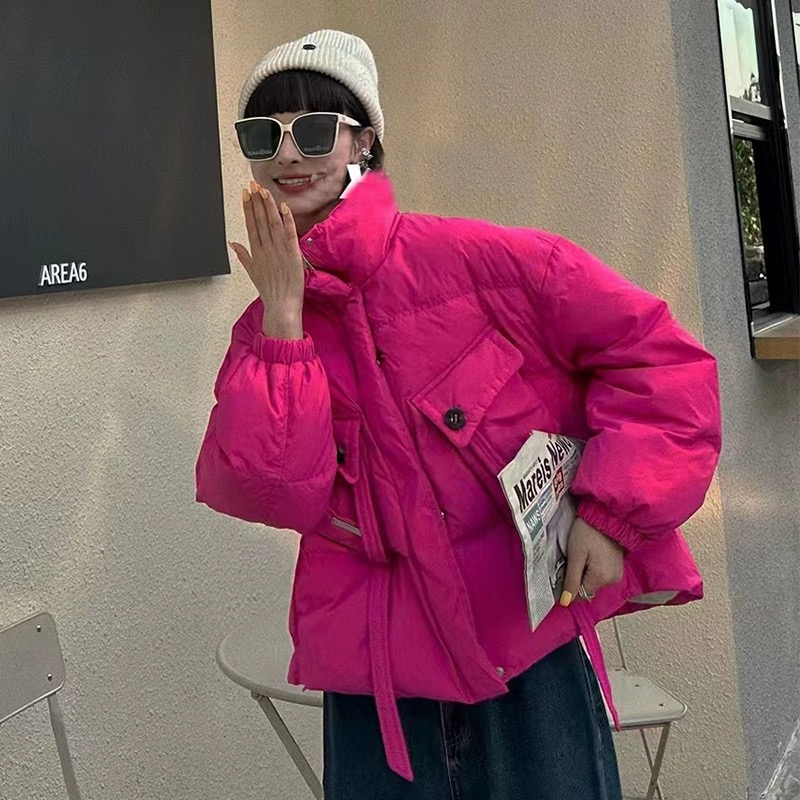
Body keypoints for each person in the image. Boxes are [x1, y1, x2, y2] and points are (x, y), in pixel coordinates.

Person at [196, 29, 721, 800]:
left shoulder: (486, 264)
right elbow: (273, 494)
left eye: (313, 129)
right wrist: (283, 320)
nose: (286, 154)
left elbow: (661, 363)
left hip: (527, 660)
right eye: (261, 136)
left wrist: (612, 515)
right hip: (376, 683)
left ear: (364, 141)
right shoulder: (267, 332)